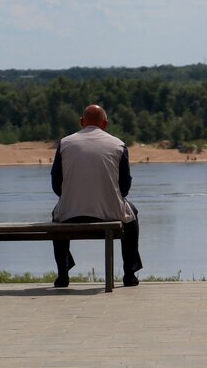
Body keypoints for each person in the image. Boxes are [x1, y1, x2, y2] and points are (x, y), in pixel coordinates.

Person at [51, 104, 143, 288]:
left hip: (71, 213)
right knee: (132, 215)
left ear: (81, 122)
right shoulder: (118, 145)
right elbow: (124, 187)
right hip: (109, 212)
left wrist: (71, 197)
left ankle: (63, 274)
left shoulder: (64, 143)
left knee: (56, 216)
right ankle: (129, 273)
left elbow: (56, 183)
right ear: (105, 124)